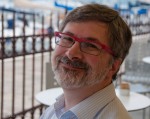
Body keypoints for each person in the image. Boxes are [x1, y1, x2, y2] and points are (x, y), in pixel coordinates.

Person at [40, 3, 132, 119]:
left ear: (113, 66)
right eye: (68, 39)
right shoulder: (54, 111)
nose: (71, 53)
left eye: (90, 45)